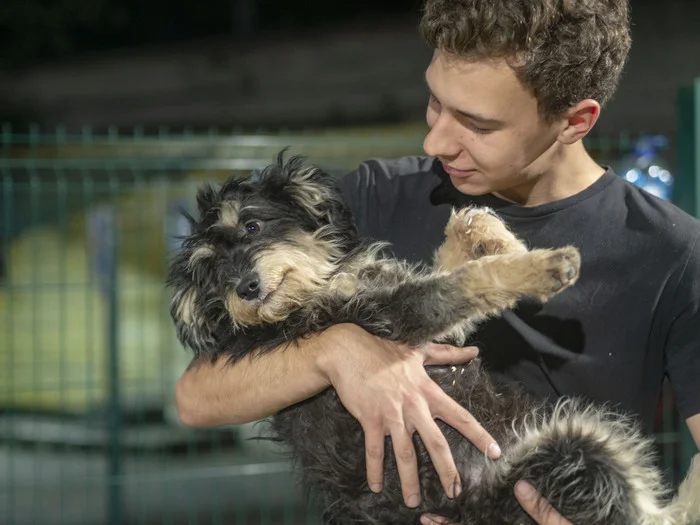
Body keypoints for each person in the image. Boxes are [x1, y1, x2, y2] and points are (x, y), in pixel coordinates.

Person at [175, 0, 700, 523]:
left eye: (478, 124)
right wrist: (335, 351)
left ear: (574, 121)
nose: (436, 140)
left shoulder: (674, 254)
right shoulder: (370, 200)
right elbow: (198, 396)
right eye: (436, 102)